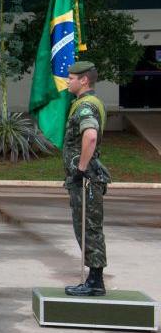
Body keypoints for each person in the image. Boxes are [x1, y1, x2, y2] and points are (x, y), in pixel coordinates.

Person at [62, 61, 111, 296]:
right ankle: (93, 279)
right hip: (87, 178)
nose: (67, 81)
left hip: (87, 178)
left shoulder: (85, 107)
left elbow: (90, 137)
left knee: (88, 228)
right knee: (87, 227)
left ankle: (95, 283)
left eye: (71, 77)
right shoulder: (86, 103)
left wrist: (81, 169)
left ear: (84, 80)